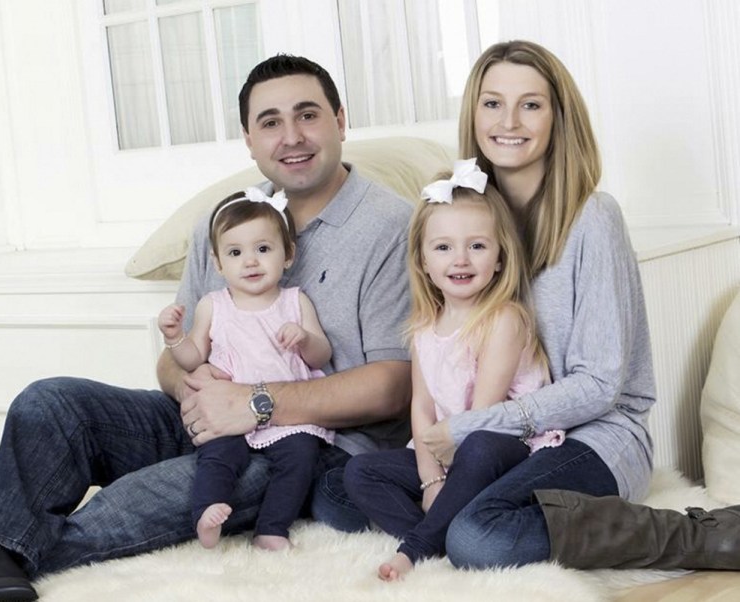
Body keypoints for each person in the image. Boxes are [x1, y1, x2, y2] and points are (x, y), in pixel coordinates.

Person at [0, 54, 412, 600]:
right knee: (49, 403)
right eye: (270, 122)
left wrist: (253, 402)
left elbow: (392, 386)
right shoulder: (226, 221)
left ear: (340, 120)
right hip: (208, 422)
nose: (291, 136)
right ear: (249, 139)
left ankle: (10, 551)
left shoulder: (392, 227)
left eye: (308, 115)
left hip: (306, 447)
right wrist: (198, 389)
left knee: (135, 502)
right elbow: (176, 358)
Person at [421, 39, 740, 572]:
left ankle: (703, 535)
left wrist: (476, 425)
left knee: (478, 539)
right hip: (502, 442)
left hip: (598, 435)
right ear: (473, 114)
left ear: (557, 118)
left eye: (531, 104)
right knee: (342, 495)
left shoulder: (593, 218)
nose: (510, 121)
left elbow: (600, 384)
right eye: (492, 102)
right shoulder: (464, 221)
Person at [344, 159, 563, 580]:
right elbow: (422, 411)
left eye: (477, 246)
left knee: (479, 443)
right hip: (444, 451)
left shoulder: (505, 319)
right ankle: (439, 538)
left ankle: (416, 548)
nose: (460, 260)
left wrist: (446, 475)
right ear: (423, 261)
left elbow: (483, 414)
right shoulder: (424, 328)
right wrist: (430, 481)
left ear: (500, 257)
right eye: (443, 247)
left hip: (503, 448)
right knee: (360, 470)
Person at [158, 190, 335, 550]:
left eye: (263, 249)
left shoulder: (294, 301)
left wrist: (303, 338)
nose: (250, 262)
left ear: (288, 255)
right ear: (218, 263)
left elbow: (321, 356)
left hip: (287, 417)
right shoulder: (213, 306)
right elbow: (194, 359)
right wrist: (175, 337)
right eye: (235, 253)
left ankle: (272, 529)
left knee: (301, 460)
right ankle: (206, 515)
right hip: (227, 414)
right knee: (217, 457)